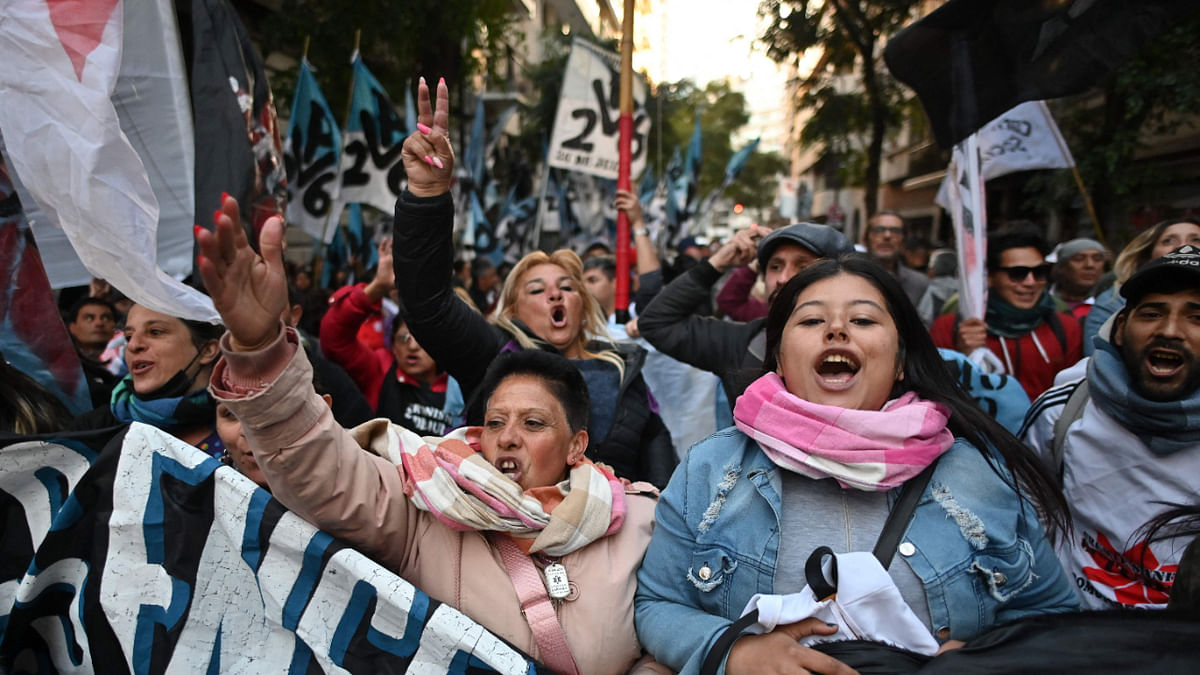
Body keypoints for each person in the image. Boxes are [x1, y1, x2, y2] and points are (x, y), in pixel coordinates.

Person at [195, 190, 661, 673]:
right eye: (495, 422)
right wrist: (261, 352)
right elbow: (323, 473)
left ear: (577, 445)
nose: (507, 436)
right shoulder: (426, 506)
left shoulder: (640, 523)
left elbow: (672, 636)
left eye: (534, 423)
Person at [635, 256, 1077, 675]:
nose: (836, 330)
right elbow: (657, 603)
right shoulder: (710, 468)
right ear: (780, 359)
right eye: (811, 320)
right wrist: (734, 652)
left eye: (863, 320)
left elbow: (1052, 613)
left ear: (901, 360)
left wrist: (986, 656)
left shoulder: (976, 474)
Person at [392, 77, 676, 490]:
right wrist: (427, 194)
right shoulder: (493, 358)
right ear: (512, 311)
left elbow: (659, 462)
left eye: (566, 286)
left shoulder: (623, 368)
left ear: (583, 303)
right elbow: (427, 303)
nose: (555, 294)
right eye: (537, 290)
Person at [1020, 244, 1200, 610]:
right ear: (1120, 328)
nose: (1170, 331)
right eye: (1151, 313)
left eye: (1197, 317)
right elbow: (1021, 523)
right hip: (1072, 636)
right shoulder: (1066, 409)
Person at [639, 221, 855, 404]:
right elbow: (657, 323)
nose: (782, 278)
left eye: (802, 266)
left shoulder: (866, 344)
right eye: (775, 267)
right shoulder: (744, 344)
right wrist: (717, 263)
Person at [320, 237, 461, 434]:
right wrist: (377, 286)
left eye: (421, 339)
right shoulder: (380, 370)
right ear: (393, 344)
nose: (412, 347)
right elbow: (334, 338)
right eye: (404, 338)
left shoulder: (461, 382)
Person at [931, 225, 1082, 401]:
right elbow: (936, 394)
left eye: (1040, 272)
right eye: (1017, 273)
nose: (1030, 282)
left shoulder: (1066, 327)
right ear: (990, 277)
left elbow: (1072, 397)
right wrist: (965, 358)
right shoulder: (952, 328)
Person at [72, 302, 225, 455]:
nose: (133, 345)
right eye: (128, 336)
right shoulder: (91, 431)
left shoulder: (241, 422)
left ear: (207, 350)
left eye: (155, 332)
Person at [1084, 218, 1200, 355]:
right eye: (1168, 241)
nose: (1183, 246)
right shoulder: (1112, 300)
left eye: (1196, 240)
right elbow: (1097, 359)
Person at [863, 211, 929, 306]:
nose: (887, 236)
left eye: (895, 231)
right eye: (879, 230)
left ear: (904, 241)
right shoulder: (849, 278)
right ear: (866, 239)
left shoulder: (920, 283)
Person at [64, 296, 120, 408]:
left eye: (106, 318)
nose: (99, 323)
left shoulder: (125, 363)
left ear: (114, 326)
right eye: (89, 318)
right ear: (72, 327)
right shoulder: (64, 371)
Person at [1050, 238, 1108, 320]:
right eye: (1079, 258)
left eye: (1097, 259)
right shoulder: (1041, 300)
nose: (1089, 265)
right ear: (1061, 267)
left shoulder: (1110, 305)